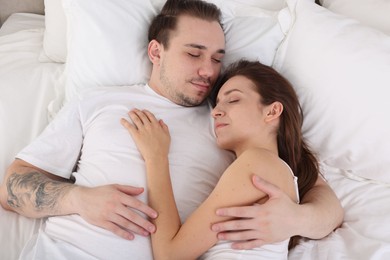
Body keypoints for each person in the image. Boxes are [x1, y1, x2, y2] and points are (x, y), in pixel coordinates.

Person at [0, 0, 343, 259]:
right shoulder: (97, 102)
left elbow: (323, 198)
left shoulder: (229, 123)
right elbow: (11, 187)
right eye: (194, 53)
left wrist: (296, 220)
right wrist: (78, 198)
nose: (208, 70)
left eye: (216, 58)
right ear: (156, 51)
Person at [121, 60, 319, 259]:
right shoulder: (271, 169)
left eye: (233, 100)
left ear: (272, 111)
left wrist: (156, 158)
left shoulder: (259, 163)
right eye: (216, 104)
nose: (215, 112)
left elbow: (170, 255)